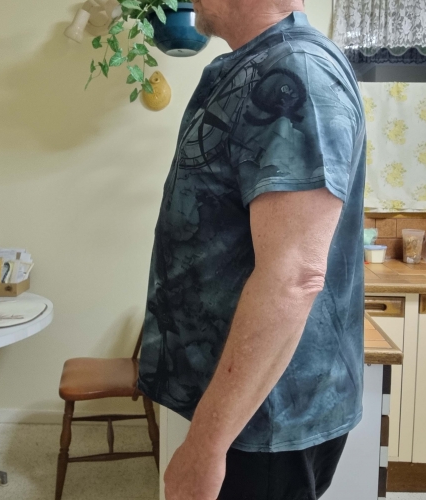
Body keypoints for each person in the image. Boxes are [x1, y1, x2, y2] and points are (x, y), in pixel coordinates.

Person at [137, 0, 366, 498]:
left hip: (266, 419)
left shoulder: (296, 74)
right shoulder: (251, 65)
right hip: (244, 405)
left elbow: (293, 278)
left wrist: (206, 446)